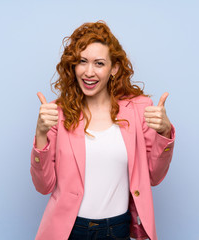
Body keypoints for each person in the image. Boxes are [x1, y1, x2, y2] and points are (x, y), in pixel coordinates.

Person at [30, 21, 175, 240]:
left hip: (117, 229)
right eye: (82, 62)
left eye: (99, 63)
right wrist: (41, 133)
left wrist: (164, 133)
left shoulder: (138, 109)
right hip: (69, 230)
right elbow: (44, 186)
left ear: (113, 68)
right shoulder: (57, 113)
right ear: (73, 66)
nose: (89, 72)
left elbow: (153, 176)